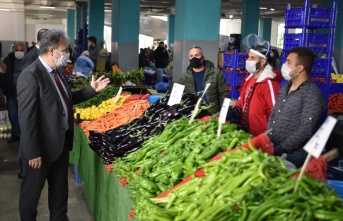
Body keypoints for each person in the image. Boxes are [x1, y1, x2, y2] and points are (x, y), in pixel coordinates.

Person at [17, 29, 110, 220]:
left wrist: (91, 90)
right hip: (39, 151)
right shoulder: (31, 75)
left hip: (60, 146)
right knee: (30, 198)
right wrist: (33, 151)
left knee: (59, 199)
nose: (68, 53)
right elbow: (27, 118)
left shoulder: (57, 71)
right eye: (65, 49)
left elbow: (67, 99)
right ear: (52, 51)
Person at [266, 47, 326, 168]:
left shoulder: (312, 94)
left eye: (288, 62)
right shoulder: (285, 87)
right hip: (273, 150)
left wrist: (279, 149)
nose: (284, 65)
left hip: (293, 155)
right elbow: (273, 115)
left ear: (300, 68)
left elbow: (305, 130)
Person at [233, 34, 281, 136]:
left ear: (263, 61)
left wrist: (268, 135)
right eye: (248, 57)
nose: (248, 61)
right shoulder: (248, 78)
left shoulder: (269, 83)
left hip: (260, 133)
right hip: (245, 130)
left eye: (252, 58)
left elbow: (275, 112)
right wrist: (237, 107)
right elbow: (242, 98)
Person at [177, 45, 230, 114]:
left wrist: (222, 113)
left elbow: (224, 94)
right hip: (192, 114)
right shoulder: (183, 76)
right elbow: (176, 97)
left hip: (212, 114)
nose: (194, 58)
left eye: (197, 55)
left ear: (203, 57)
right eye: (191, 56)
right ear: (188, 58)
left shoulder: (215, 73)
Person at [0, 42, 26, 142]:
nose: (19, 52)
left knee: (23, 115)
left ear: (25, 51)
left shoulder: (28, 60)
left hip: (24, 93)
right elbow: (3, 73)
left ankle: (23, 135)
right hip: (12, 92)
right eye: (17, 50)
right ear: (14, 50)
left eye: (21, 50)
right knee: (13, 114)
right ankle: (16, 133)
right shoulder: (8, 60)